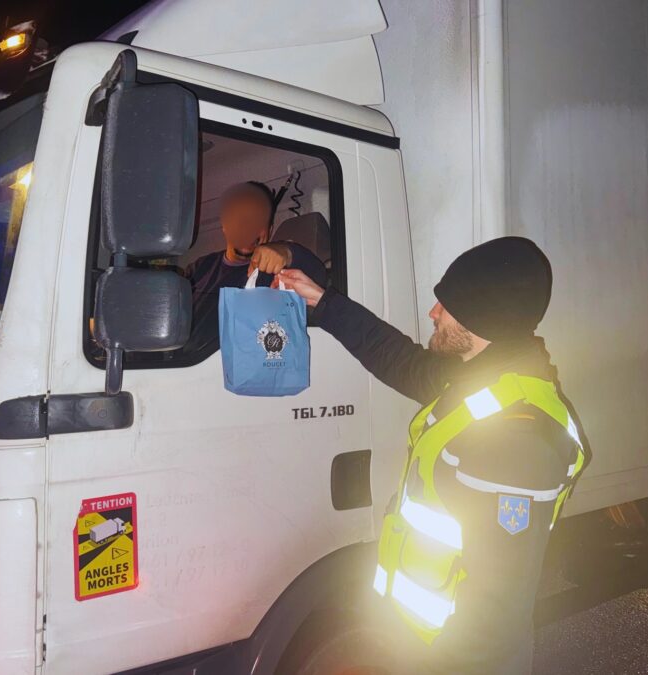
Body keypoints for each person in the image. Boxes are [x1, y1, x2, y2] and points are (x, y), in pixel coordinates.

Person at [279, 237, 588, 674]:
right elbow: (397, 357)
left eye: (446, 304)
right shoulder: (475, 381)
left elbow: (495, 612)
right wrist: (323, 302)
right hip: (421, 645)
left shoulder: (517, 434)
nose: (433, 313)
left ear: (484, 316)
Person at [182, 181, 326, 353]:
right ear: (225, 226)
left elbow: (317, 278)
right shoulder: (200, 267)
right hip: (184, 364)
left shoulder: (274, 272)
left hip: (229, 371)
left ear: (269, 229)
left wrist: (287, 252)